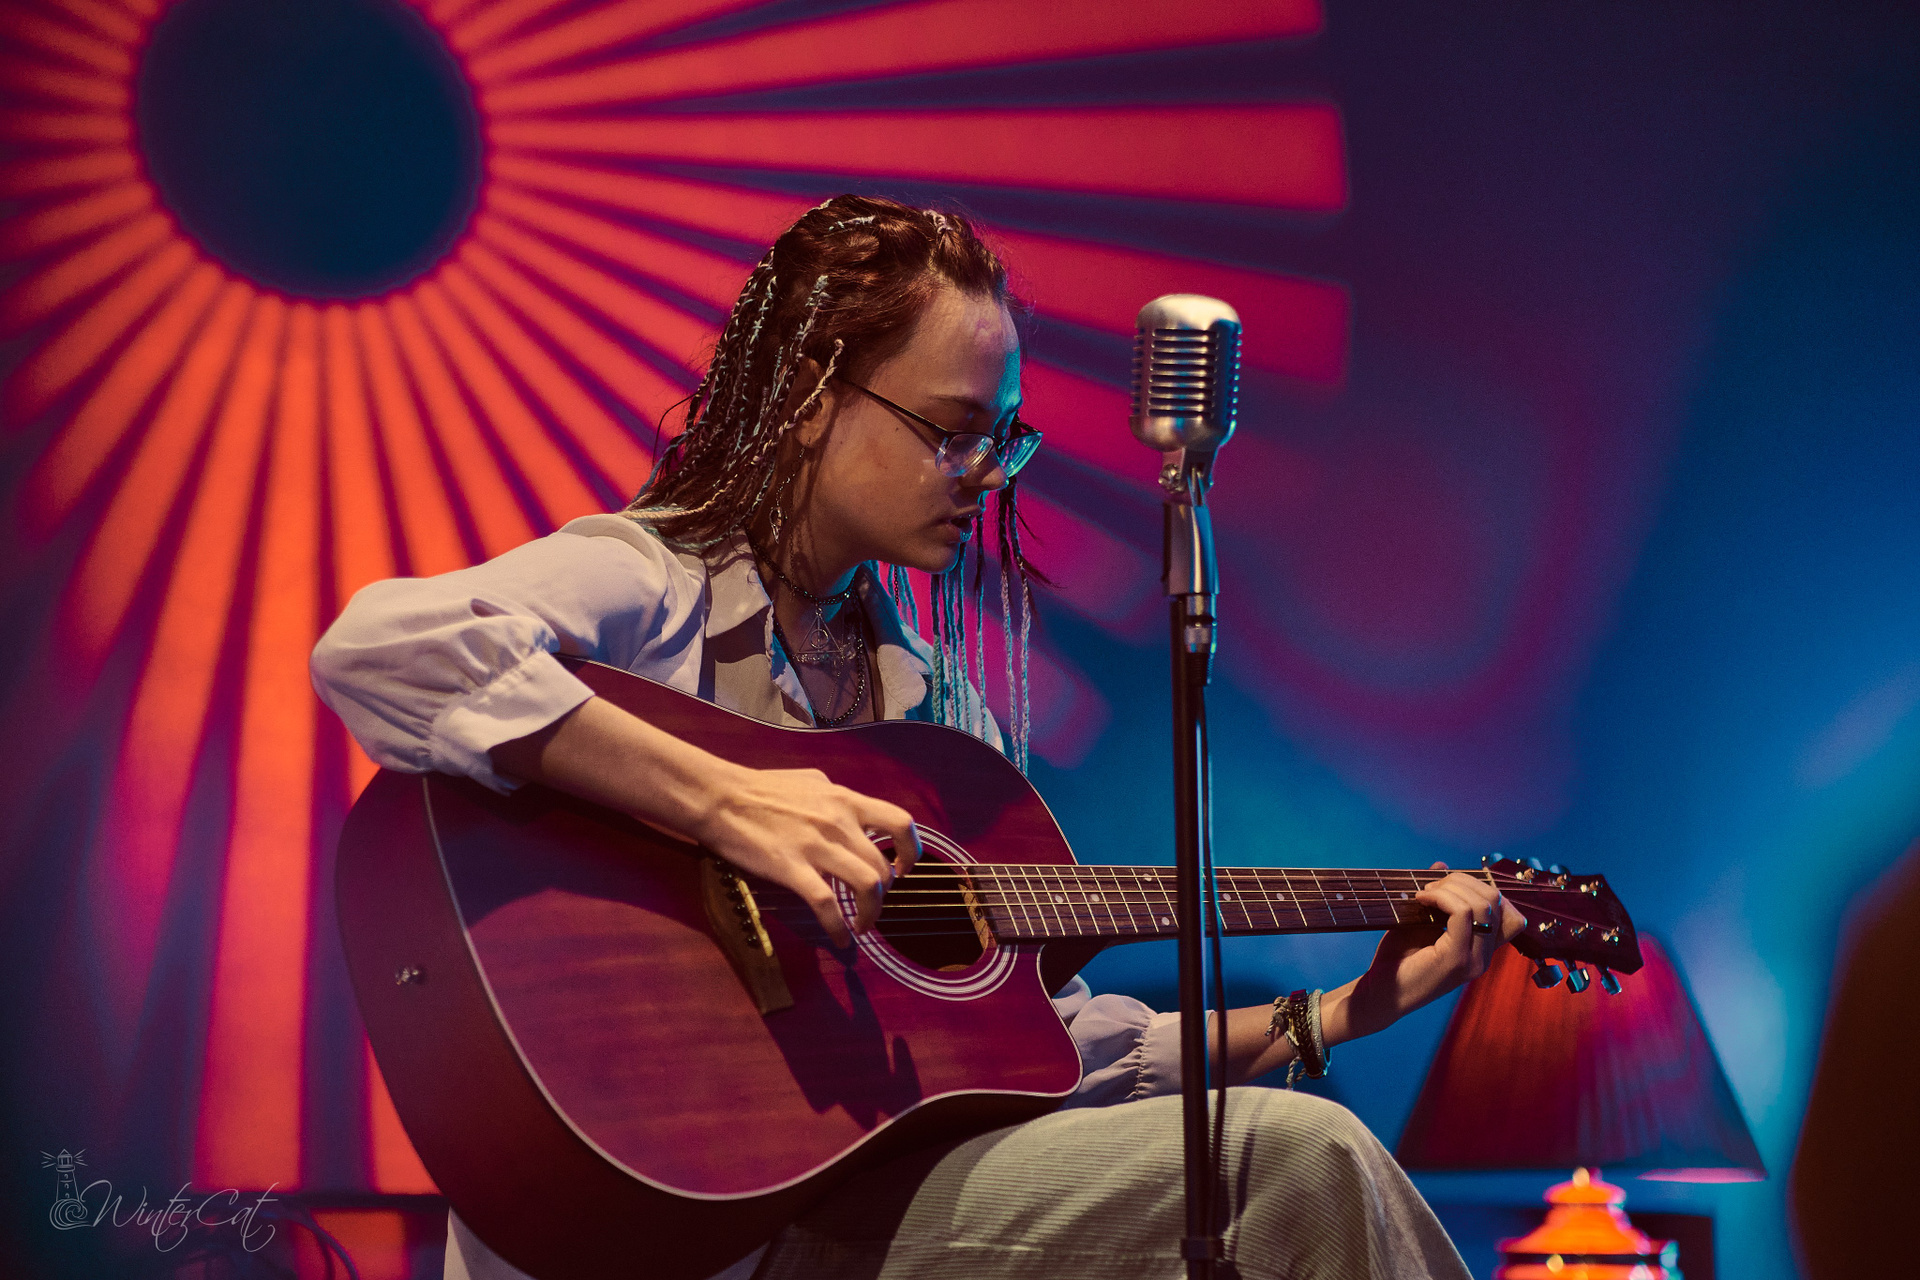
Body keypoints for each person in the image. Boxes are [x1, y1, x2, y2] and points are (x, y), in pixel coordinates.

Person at [311, 195, 1521, 1280]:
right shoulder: (653, 585)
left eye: (1003, 438)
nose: (984, 474)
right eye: (951, 430)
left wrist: (1335, 1014)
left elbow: (1048, 1047)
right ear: (808, 399)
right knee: (1293, 1156)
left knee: (1282, 1161)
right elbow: (383, 646)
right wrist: (728, 801)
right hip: (680, 1224)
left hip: (873, 1212)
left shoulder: (937, 721)